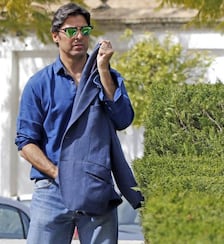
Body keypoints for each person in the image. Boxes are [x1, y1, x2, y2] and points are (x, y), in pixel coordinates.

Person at [15, 3, 143, 244]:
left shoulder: (109, 78)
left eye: (85, 31)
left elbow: (123, 119)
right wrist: (58, 174)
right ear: (56, 36)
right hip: (52, 190)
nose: (79, 37)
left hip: (96, 186)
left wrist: (103, 69)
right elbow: (25, 143)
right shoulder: (39, 84)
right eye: (71, 31)